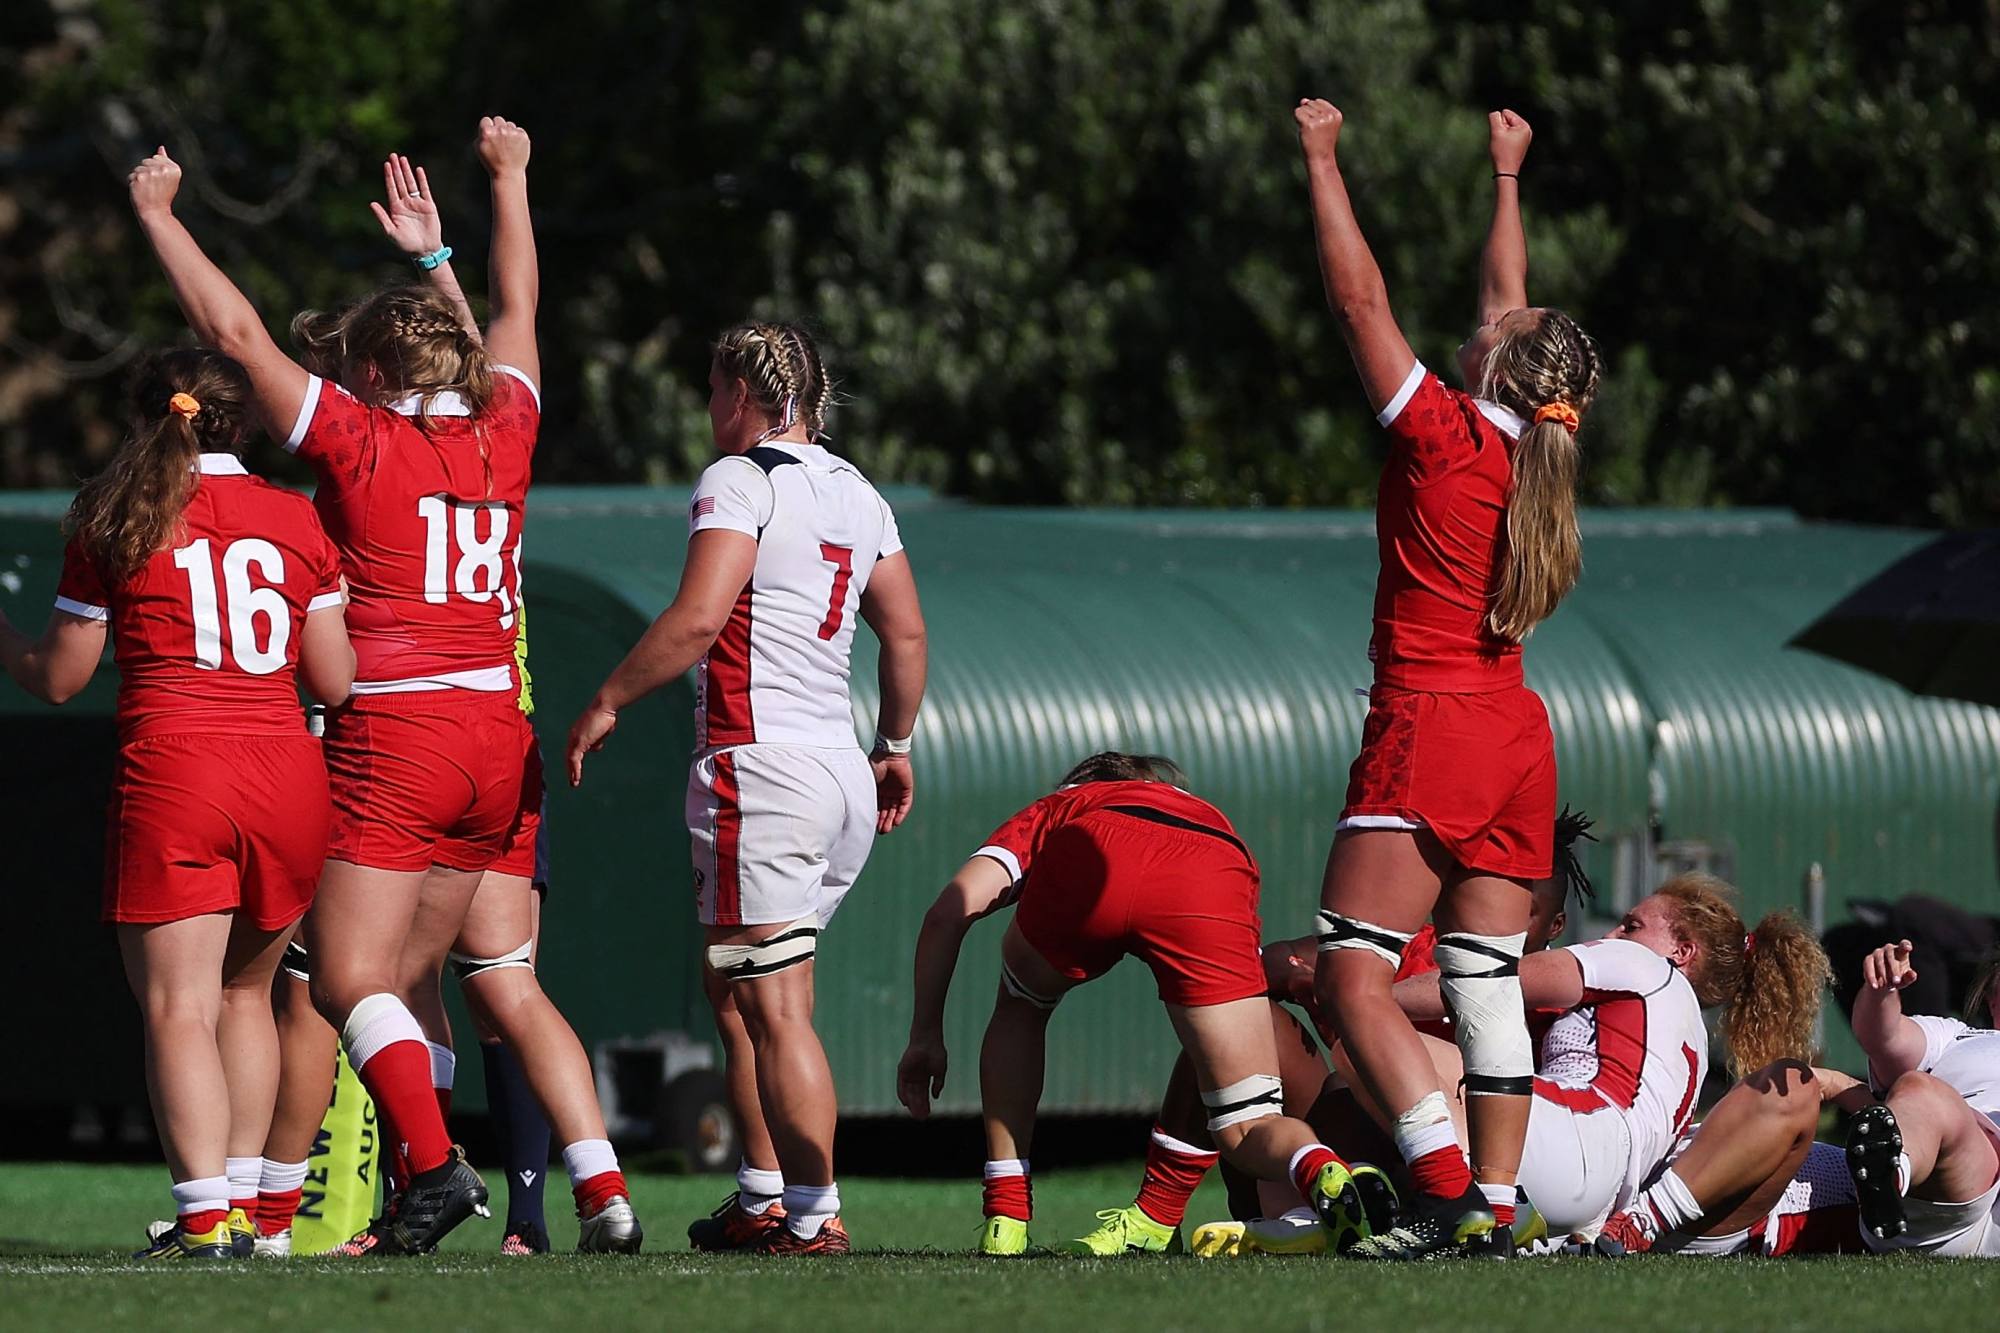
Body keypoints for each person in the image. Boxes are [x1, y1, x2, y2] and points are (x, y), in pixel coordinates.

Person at [127, 121, 623, 1256]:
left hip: (403, 730)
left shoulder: (360, 442)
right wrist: (503, 189)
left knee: (342, 976)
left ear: (378, 377)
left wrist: (161, 219)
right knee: (405, 979)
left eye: (352, 364)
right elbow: (518, 308)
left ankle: (433, 1169)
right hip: (501, 732)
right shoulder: (509, 425)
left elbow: (231, 329)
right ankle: (419, 1179)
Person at [1296, 97, 1601, 1258]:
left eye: (1497, 324)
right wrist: (1504, 181)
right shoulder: (1534, 453)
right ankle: (1495, 1200)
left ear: (1496, 366)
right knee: (1482, 984)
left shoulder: (1443, 437)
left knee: (1350, 974)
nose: (1485, 314)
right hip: (1516, 735)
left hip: (1428, 725)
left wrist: (1322, 160)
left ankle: (1438, 1191)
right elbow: (1500, 307)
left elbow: (1355, 300)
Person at [569, 322, 928, 1256]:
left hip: (757, 765)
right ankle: (766, 1193)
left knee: (766, 1003)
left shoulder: (740, 478)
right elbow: (908, 635)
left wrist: (607, 697)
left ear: (742, 393)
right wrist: (894, 743)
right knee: (743, 990)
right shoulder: (859, 490)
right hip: (840, 768)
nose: (706, 409)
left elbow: (697, 620)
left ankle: (812, 1214)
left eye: (712, 388)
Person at [0, 348, 352, 1260]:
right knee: (249, 995)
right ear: (245, 421)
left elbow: (59, 677)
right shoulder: (299, 520)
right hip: (286, 771)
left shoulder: (116, 515)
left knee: (178, 1007)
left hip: (178, 769)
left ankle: (203, 1220)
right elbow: (337, 678)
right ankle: (241, 1214)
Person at [365, 148, 635, 1256]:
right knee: (509, 988)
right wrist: (484, 212)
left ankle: (419, 1189)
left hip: (418, 742)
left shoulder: (374, 461)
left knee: (378, 983)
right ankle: (597, 1189)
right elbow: (509, 329)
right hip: (502, 746)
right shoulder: (496, 450)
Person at [897, 753, 1385, 1257]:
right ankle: (1319, 1167)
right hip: (1211, 861)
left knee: (1021, 1003)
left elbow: (947, 913)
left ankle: (1007, 1216)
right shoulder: (1208, 815)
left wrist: (925, 1035)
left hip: (1097, 846)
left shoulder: (1067, 803)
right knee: (1247, 1124)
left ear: (1084, 782)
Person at [1088, 807, 1595, 1257]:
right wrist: (1310, 976)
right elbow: (1278, 962)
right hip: (1343, 1127)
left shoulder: (1557, 992)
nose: (1494, 913)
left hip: (1463, 1162)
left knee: (1368, 1063)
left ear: (1555, 925)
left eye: (1521, 908)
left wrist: (1360, 999)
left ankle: (1442, 1205)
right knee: (1239, 1023)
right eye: (1479, 887)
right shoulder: (1419, 944)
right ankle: (1160, 1214)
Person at [1388, 873, 1828, 1250]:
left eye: (1631, 924)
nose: (1615, 935)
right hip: (1598, 1199)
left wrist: (1365, 1000)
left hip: (1570, 1139)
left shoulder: (1642, 964)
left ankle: (1458, 1203)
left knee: (1377, 1045)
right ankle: (1489, 1215)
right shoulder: (1686, 1036)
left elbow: (1487, 985)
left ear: (1682, 951)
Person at [1831, 939, 2000, 1255]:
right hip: (1954, 1189)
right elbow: (1887, 1038)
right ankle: (1887, 1181)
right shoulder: (1955, 1036)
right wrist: (1881, 991)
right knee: (1920, 1090)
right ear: (1992, 998)